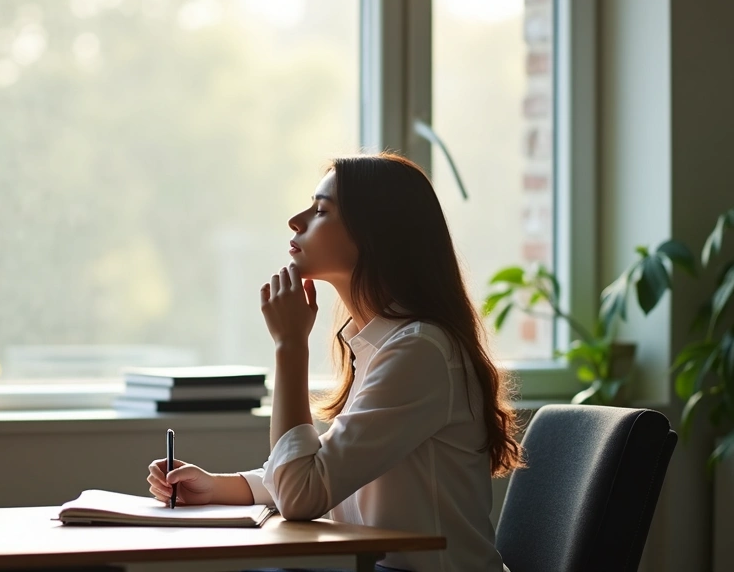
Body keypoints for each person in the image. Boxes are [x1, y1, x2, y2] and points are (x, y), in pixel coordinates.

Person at [146, 152, 522, 572]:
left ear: (375, 235)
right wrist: (217, 487)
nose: (296, 219)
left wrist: (290, 347)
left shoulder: (421, 352)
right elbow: (322, 470)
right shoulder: (384, 346)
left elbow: (303, 494)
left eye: (321, 210)